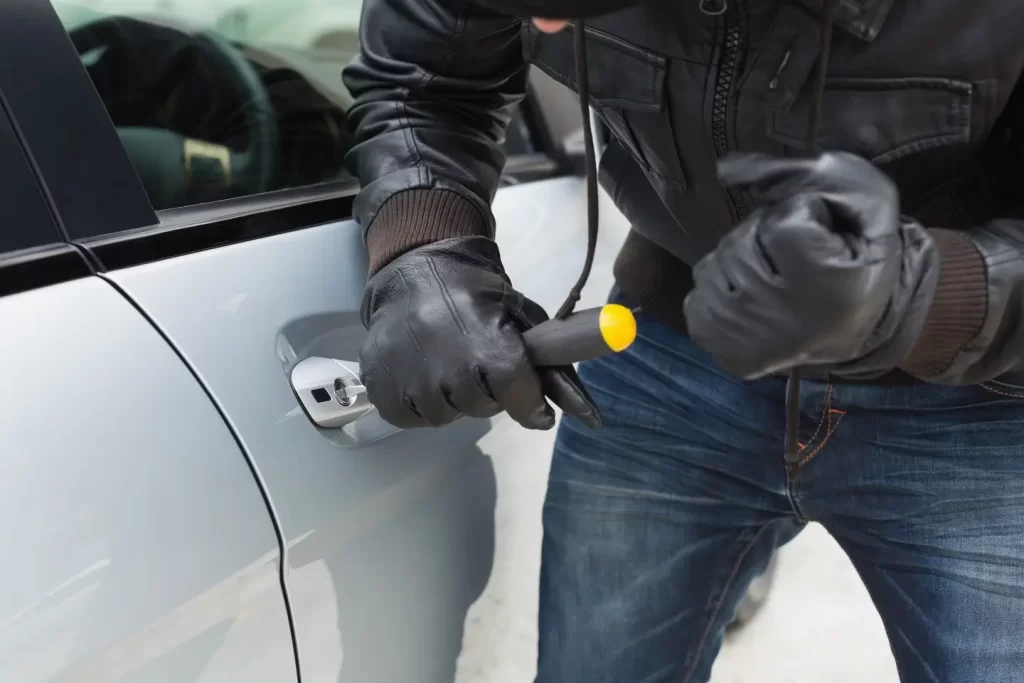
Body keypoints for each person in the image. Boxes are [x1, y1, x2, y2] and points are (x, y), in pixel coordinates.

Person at [342, 1, 1024, 681]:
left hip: (975, 401)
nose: (543, 29)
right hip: (668, 355)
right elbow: (420, 79)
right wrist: (420, 243)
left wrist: (920, 295)